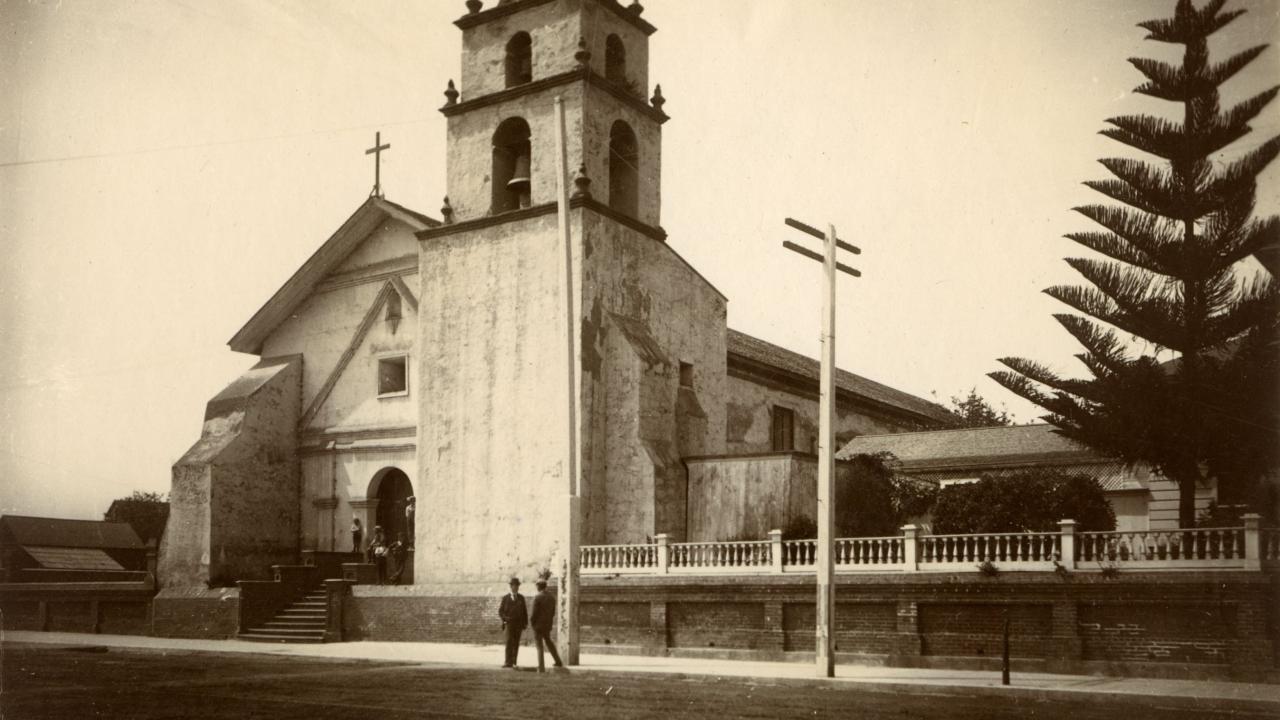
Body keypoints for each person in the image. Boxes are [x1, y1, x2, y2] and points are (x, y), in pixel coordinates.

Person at [530, 578, 564, 672]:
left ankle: (541, 667)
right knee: (549, 642)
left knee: (539, 646)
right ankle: (558, 661)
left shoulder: (537, 597)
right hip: (547, 625)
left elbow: (534, 613)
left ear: (538, 586)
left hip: (538, 625)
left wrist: (532, 622)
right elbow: (553, 613)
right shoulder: (552, 597)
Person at [498, 577, 528, 668]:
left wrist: (525, 623)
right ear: (511, 587)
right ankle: (508, 662)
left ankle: (514, 662)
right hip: (509, 624)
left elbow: (524, 612)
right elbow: (500, 611)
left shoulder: (521, 598)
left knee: (516, 643)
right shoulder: (505, 598)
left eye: (517, 586)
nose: (516, 588)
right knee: (508, 642)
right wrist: (505, 619)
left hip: (518, 624)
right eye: (514, 586)